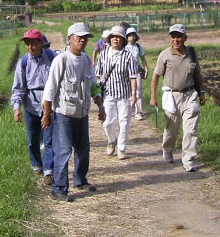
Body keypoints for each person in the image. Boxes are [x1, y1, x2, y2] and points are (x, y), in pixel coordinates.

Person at [42, 22, 106, 202]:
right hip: (64, 114)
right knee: (63, 152)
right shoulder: (61, 60)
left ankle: (80, 180)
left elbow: (93, 86)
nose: (82, 41)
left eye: (85, 38)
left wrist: (100, 106)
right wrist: (47, 115)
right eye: (79, 37)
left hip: (82, 113)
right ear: (70, 39)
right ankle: (59, 189)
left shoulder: (86, 60)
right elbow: (50, 89)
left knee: (83, 150)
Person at [150, 23, 206, 172]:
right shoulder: (164, 55)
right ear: (170, 38)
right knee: (172, 128)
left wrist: (202, 92)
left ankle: (188, 159)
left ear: (185, 38)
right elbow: (156, 76)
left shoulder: (191, 53)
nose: (176, 39)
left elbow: (198, 75)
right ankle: (167, 149)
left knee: (191, 129)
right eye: (173, 36)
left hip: (190, 95)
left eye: (179, 36)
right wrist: (153, 96)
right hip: (172, 96)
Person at [11, 29, 57, 185]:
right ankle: (36, 163)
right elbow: (18, 87)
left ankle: (49, 171)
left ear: (40, 43)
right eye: (27, 43)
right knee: (32, 140)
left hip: (49, 106)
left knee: (49, 140)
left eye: (33, 43)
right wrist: (17, 108)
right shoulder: (23, 62)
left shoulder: (52, 57)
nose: (30, 47)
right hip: (31, 106)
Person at [95, 25, 139, 160]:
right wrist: (97, 93)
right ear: (109, 39)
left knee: (124, 122)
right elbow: (98, 75)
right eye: (113, 37)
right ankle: (112, 140)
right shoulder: (103, 55)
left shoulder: (128, 56)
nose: (115, 39)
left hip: (124, 95)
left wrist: (134, 94)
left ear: (123, 40)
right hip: (108, 94)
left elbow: (133, 77)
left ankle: (121, 148)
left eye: (118, 37)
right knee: (107, 122)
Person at [125, 27, 148, 120]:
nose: (132, 37)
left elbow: (143, 59)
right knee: (127, 92)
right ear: (127, 37)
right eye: (130, 36)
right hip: (126, 73)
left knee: (138, 92)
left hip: (136, 72)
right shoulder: (124, 47)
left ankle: (139, 112)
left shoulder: (138, 47)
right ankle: (127, 111)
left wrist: (146, 69)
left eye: (133, 35)